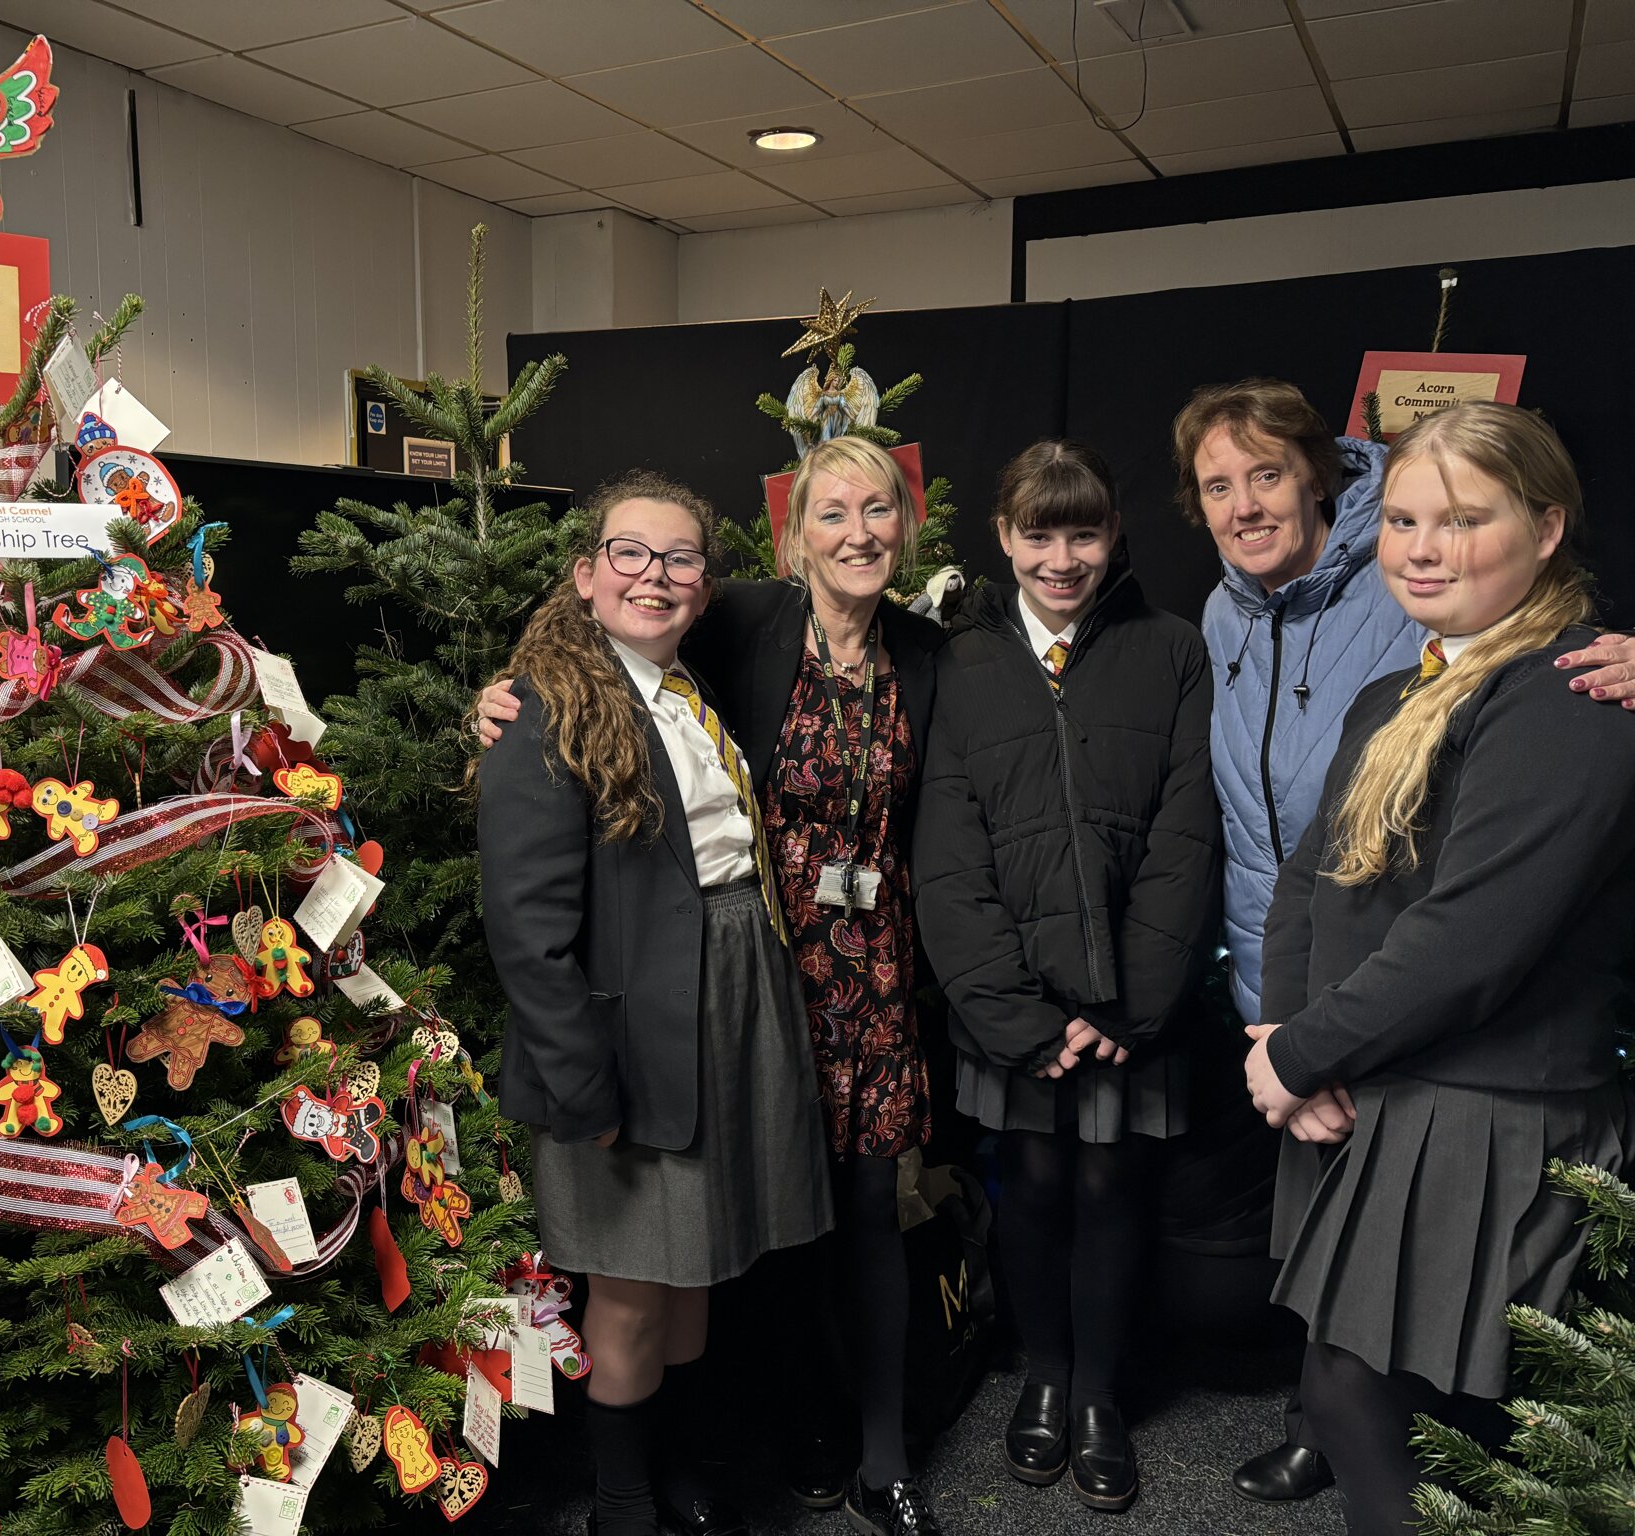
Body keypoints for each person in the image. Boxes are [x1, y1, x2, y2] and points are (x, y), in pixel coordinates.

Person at [1167, 379, 1635, 1504]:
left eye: (1464, 520)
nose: (1422, 550)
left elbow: (1469, 943)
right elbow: (1302, 878)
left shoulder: (1569, 696)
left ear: (1545, 528)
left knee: (1420, 1422)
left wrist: (1293, 1058)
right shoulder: (1393, 691)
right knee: (1352, 1397)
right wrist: (1278, 1026)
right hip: (1376, 1088)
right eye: (1408, 520)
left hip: (1484, 1111)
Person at [479, 436, 949, 1536]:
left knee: (692, 1272)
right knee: (635, 1284)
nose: (654, 574)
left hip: (728, 1000)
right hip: (630, 1034)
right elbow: (527, 935)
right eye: (628, 554)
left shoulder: (685, 682)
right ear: (585, 574)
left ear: (708, 582)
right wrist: (579, 1085)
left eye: (680, 558)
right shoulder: (550, 708)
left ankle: (678, 1465)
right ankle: (623, 1502)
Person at [912, 441, 1220, 1514]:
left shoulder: (1171, 650)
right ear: (1002, 538)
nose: (1060, 557)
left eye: (1081, 532)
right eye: (1037, 534)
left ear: (1112, 537)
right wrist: (1015, 1018)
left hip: (1132, 1007)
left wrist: (1128, 1008)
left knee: (1111, 1187)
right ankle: (1039, 1377)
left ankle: (1097, 1397)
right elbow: (945, 857)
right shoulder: (957, 660)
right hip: (1015, 1010)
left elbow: (1189, 838)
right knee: (1031, 1186)